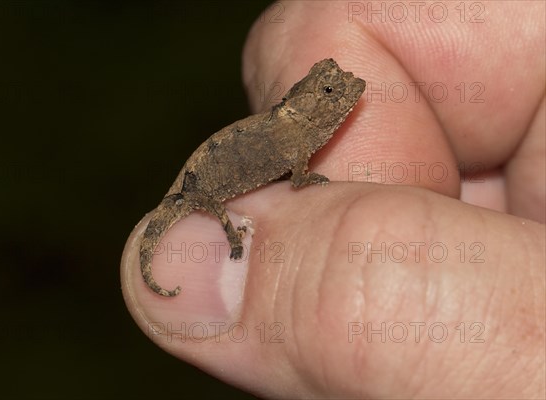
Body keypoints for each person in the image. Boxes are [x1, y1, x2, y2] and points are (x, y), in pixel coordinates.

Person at [122, 2, 545, 398]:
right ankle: (225, 242)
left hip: (214, 174)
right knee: (206, 208)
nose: (343, 92)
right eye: (327, 90)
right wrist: (236, 238)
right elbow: (299, 177)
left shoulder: (295, 131)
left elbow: (299, 171)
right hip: (203, 187)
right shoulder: (293, 133)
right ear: (306, 100)